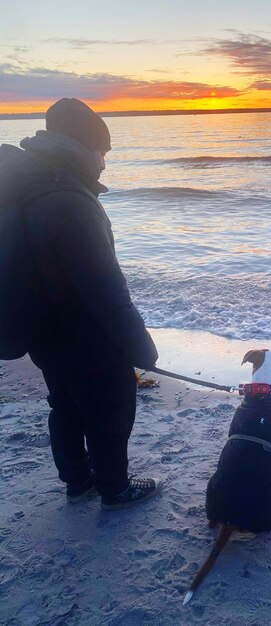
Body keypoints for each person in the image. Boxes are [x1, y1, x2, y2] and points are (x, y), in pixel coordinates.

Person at [0, 98, 160, 509]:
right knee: (111, 411)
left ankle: (77, 481)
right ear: (83, 146)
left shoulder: (27, 185)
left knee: (65, 405)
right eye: (102, 151)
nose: (105, 162)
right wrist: (142, 348)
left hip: (43, 331)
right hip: (87, 335)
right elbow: (106, 290)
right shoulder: (70, 201)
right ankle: (116, 489)